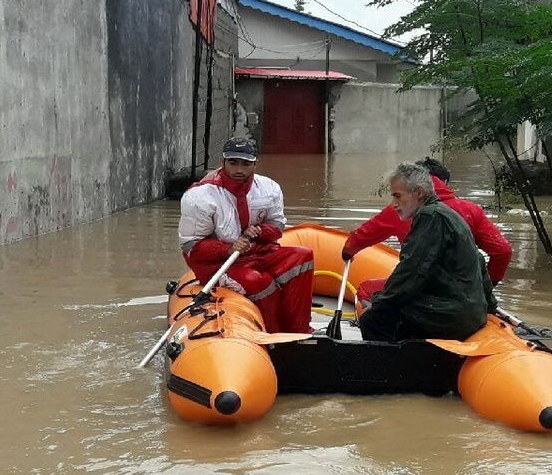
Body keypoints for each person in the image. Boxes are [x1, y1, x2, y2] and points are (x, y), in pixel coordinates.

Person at [178, 138, 314, 334]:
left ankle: (299, 330)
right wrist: (229, 248)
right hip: (218, 264)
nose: (239, 170)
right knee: (258, 281)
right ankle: (272, 335)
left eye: (246, 164)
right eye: (233, 163)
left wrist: (259, 232)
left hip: (257, 251)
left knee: (303, 256)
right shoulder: (200, 196)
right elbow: (191, 247)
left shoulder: (269, 188)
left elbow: (276, 225)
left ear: (255, 164)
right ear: (222, 161)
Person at [357, 163, 498, 343]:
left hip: (451, 316)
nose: (393, 205)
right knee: (392, 311)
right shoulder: (448, 214)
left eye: (397, 196)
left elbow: (412, 270)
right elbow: (478, 260)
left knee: (372, 320)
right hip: (472, 314)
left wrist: (379, 303)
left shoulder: (429, 217)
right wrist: (491, 307)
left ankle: (389, 370)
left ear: (419, 192)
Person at [341, 157, 512, 284]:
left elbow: (360, 237)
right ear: (444, 182)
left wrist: (348, 251)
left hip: (421, 289)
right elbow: (502, 251)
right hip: (465, 293)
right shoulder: (470, 210)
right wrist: (485, 287)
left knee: (366, 290)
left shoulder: (399, 210)